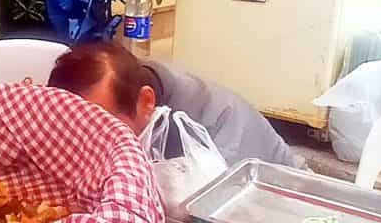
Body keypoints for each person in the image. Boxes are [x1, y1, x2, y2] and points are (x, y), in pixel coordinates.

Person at [47, 41, 300, 167]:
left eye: (102, 129)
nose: (86, 146)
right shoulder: (135, 91)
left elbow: (197, 221)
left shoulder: (207, 130)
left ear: (146, 102)